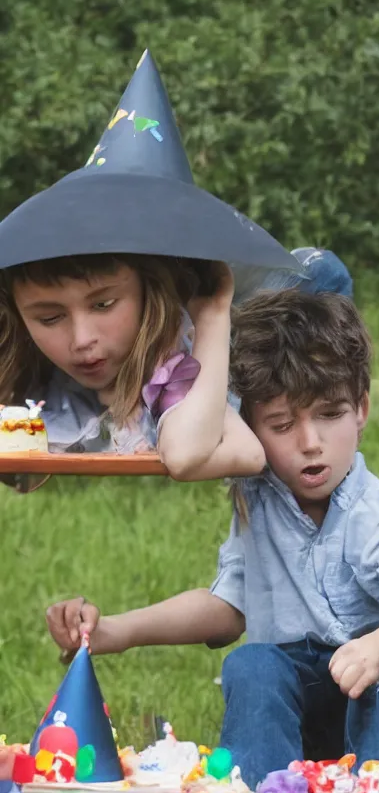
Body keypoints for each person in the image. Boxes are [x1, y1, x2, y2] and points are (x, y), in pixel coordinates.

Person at [45, 288, 379, 787]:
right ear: (251, 429)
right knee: (252, 661)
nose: (310, 442)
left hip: (372, 699)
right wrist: (113, 632)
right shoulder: (260, 500)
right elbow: (230, 606)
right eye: (282, 424)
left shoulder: (377, 513)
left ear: (361, 410)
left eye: (330, 415)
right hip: (300, 700)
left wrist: (376, 648)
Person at [0, 50, 300, 490]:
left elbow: (226, 453)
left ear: (151, 291)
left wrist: (214, 316)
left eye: (103, 304)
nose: (82, 341)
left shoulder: (179, 352)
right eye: (49, 318)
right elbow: (23, 471)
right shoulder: (33, 359)